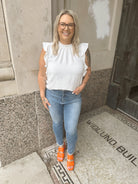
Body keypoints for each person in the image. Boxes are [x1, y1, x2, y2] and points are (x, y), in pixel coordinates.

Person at [38, 9, 91, 171]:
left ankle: (70, 153)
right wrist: (42, 94)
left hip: (73, 98)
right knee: (56, 123)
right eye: (62, 24)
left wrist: (82, 85)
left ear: (74, 27)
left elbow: (88, 71)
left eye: (70, 24)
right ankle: (60, 145)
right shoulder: (48, 49)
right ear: (57, 27)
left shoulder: (82, 49)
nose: (66, 28)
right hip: (52, 95)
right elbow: (41, 74)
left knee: (71, 128)